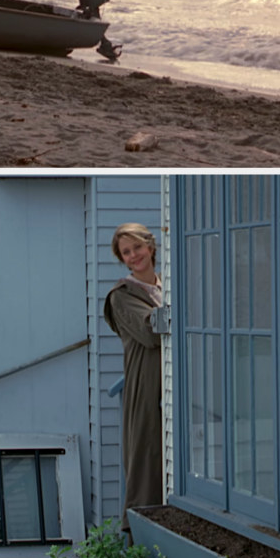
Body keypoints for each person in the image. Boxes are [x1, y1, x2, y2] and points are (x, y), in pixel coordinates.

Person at [104, 222, 163, 529]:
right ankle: (140, 540)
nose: (134, 255)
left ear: (150, 247)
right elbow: (152, 333)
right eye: (126, 252)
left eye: (137, 247)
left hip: (174, 386)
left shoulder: (166, 286)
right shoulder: (122, 296)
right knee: (147, 464)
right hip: (145, 386)